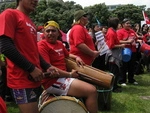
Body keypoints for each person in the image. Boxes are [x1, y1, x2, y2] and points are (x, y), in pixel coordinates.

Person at [0, 0, 59, 113]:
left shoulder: (30, 22)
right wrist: (31, 68)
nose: (36, 1)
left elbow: (34, 51)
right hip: (21, 79)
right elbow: (5, 46)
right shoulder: (9, 14)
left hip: (34, 78)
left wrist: (47, 66)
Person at [37, 20, 98, 113]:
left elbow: (68, 55)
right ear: (44, 33)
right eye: (47, 31)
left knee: (89, 87)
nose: (50, 33)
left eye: (53, 31)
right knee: (92, 91)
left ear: (58, 33)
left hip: (62, 78)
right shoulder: (42, 45)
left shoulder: (59, 43)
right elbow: (49, 68)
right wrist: (70, 74)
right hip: (52, 81)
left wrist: (76, 57)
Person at [105, 17, 125, 92]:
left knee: (116, 71)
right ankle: (113, 87)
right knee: (114, 72)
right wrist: (121, 46)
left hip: (115, 54)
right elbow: (111, 45)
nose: (119, 25)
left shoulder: (112, 31)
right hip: (113, 55)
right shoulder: (111, 32)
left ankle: (115, 85)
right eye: (118, 23)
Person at [117, 18, 139, 86]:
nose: (129, 25)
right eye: (127, 23)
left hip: (133, 50)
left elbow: (136, 39)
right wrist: (127, 41)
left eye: (129, 23)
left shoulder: (132, 31)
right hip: (124, 51)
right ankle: (122, 80)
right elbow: (118, 41)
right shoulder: (119, 32)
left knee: (131, 66)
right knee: (123, 66)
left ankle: (131, 79)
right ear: (123, 24)